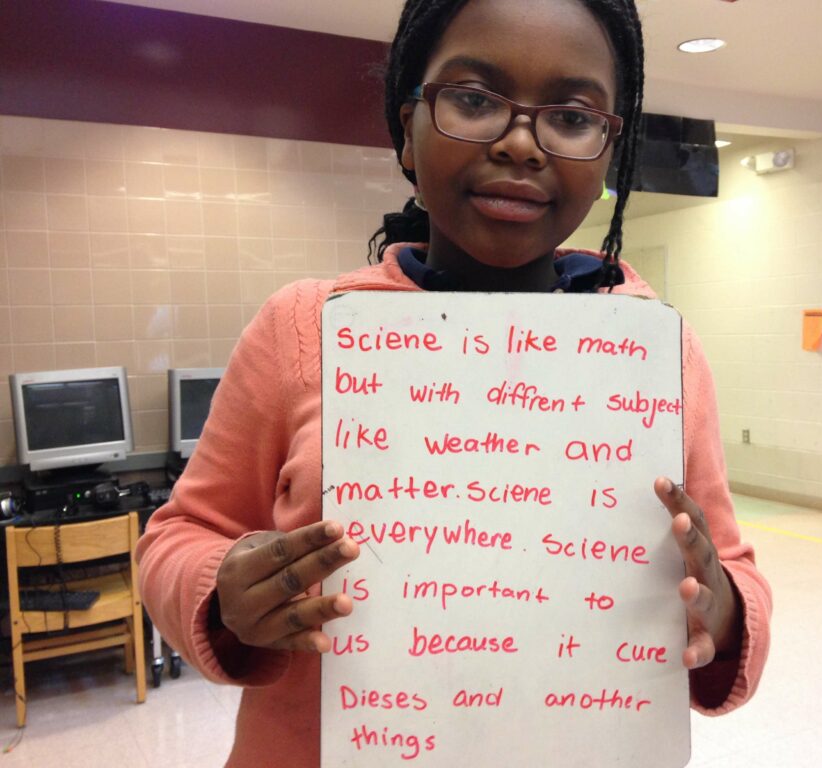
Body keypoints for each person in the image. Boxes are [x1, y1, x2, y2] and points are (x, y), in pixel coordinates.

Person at [137, 0, 772, 765]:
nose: (520, 144)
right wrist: (222, 592)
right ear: (407, 127)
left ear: (611, 151)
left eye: (571, 117)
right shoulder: (304, 329)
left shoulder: (657, 352)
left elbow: (733, 571)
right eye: (473, 101)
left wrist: (726, 607)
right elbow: (177, 537)